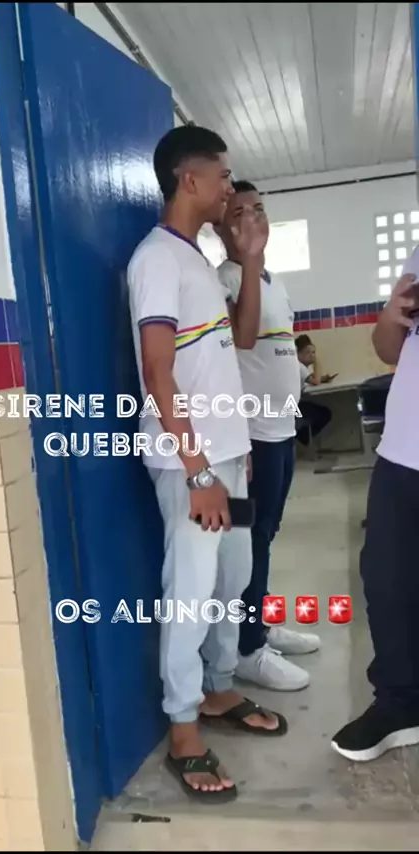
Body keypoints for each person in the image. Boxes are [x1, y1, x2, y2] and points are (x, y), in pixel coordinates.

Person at [127, 127, 287, 804]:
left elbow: (241, 339)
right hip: (189, 463)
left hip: (228, 456)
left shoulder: (197, 258)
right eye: (222, 177)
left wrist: (250, 259)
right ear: (188, 180)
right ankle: (183, 727)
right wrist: (196, 472)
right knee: (191, 591)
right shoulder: (156, 260)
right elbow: (157, 372)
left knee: (234, 578)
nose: (229, 188)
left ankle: (219, 689)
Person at [216, 181, 320, 693]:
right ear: (221, 226)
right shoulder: (226, 280)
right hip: (253, 435)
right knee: (250, 538)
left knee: (267, 533)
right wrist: (238, 437)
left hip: (281, 429)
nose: (253, 219)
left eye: (258, 209)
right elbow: (235, 350)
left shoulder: (273, 281)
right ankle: (246, 648)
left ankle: (259, 621)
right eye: (239, 213)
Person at [331, 261, 419, 761]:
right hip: (403, 451)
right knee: (388, 582)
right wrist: (390, 317)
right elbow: (390, 350)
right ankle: (401, 703)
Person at [295, 334, 333, 446]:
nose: (312, 355)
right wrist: (317, 362)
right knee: (325, 414)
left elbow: (310, 379)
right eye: (308, 353)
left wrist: (321, 378)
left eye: (313, 352)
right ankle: (302, 436)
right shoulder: (299, 366)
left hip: (293, 403)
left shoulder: (299, 366)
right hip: (293, 406)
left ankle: (303, 437)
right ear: (298, 354)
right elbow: (315, 382)